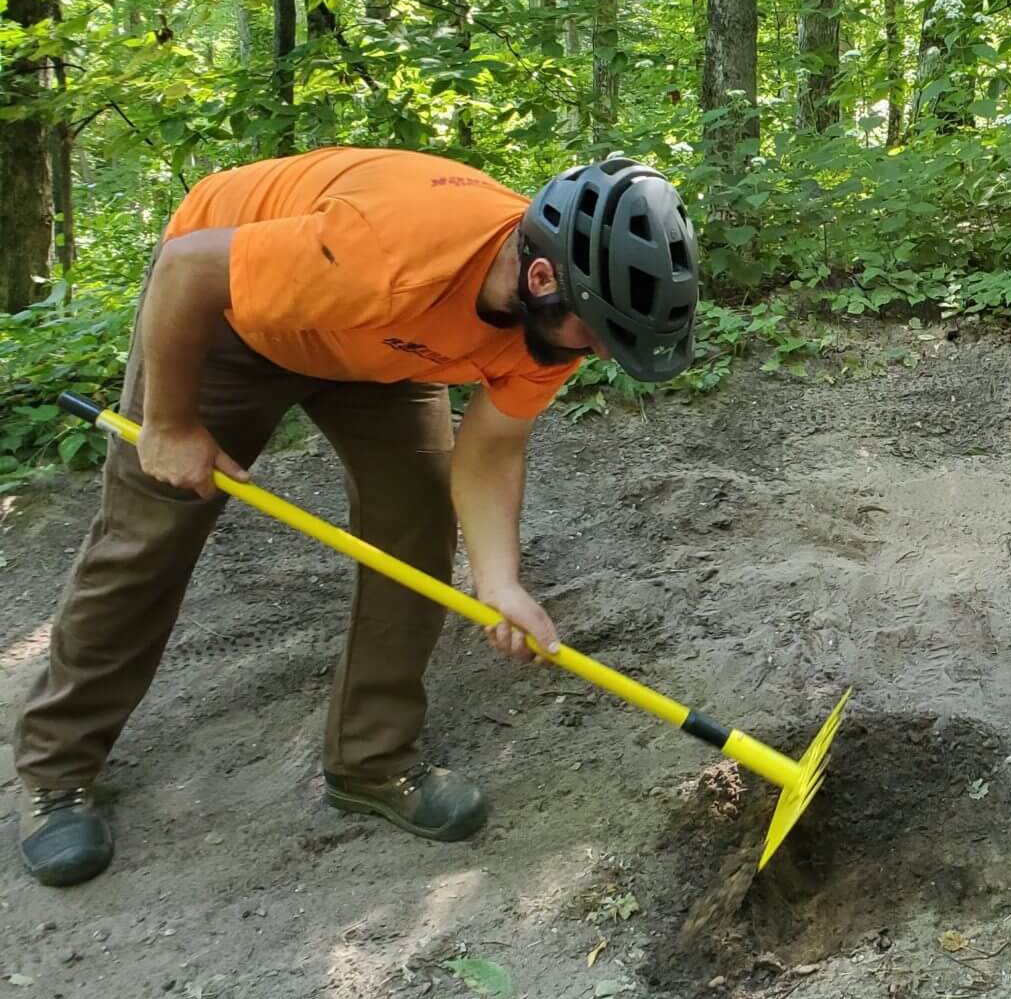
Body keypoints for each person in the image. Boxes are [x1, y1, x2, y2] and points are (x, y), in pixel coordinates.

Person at [14, 148, 701, 888]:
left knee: (417, 522)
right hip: (228, 315)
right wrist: (172, 423)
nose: (596, 355)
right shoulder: (393, 250)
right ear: (541, 279)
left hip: (381, 350)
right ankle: (58, 769)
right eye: (599, 336)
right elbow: (188, 269)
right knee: (152, 530)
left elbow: (491, 455)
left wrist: (499, 582)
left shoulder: (554, 325)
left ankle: (371, 761)